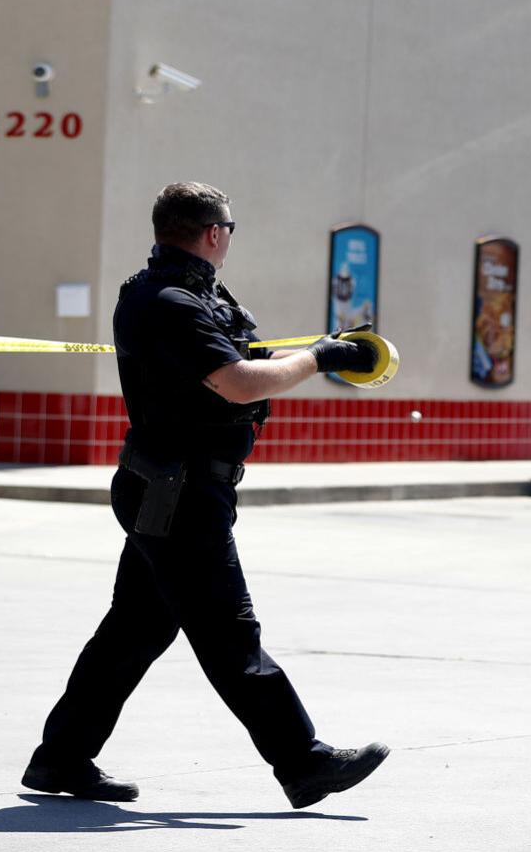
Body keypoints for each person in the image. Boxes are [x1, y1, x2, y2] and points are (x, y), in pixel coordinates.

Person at [22, 181, 387, 810]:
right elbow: (238, 382)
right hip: (180, 493)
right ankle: (302, 761)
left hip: (168, 485)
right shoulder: (172, 302)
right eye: (230, 230)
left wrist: (312, 352)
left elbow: (240, 356)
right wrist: (319, 359)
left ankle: (61, 756)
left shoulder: (173, 293)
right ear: (215, 233)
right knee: (229, 633)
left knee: (134, 630)